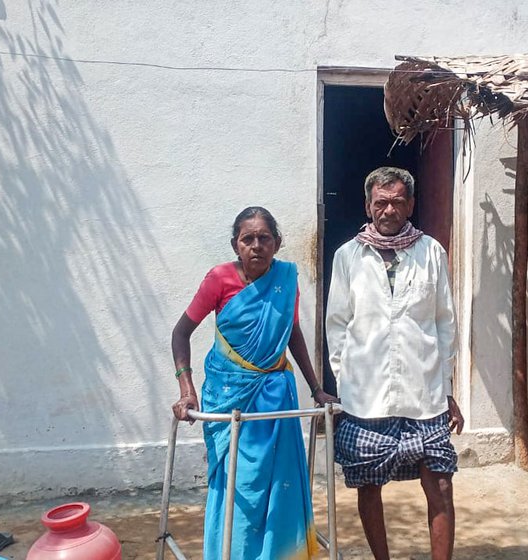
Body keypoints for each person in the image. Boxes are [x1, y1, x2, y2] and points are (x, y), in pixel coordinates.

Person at [171, 206, 337, 560]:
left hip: (276, 397)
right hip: (228, 396)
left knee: (278, 481)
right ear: (236, 245)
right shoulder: (218, 279)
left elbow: (291, 333)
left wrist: (316, 387)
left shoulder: (286, 279)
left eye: (264, 238)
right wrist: (187, 390)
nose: (256, 246)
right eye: (248, 239)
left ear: (277, 243)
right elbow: (181, 333)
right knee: (237, 482)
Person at [326, 167, 464, 560]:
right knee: (368, 487)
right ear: (368, 205)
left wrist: (447, 387)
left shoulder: (431, 252)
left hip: (425, 395)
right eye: (381, 202)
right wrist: (346, 378)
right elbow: (336, 324)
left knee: (440, 486)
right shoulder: (348, 256)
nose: (389, 210)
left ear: (411, 205)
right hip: (365, 398)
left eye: (398, 201)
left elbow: (444, 324)